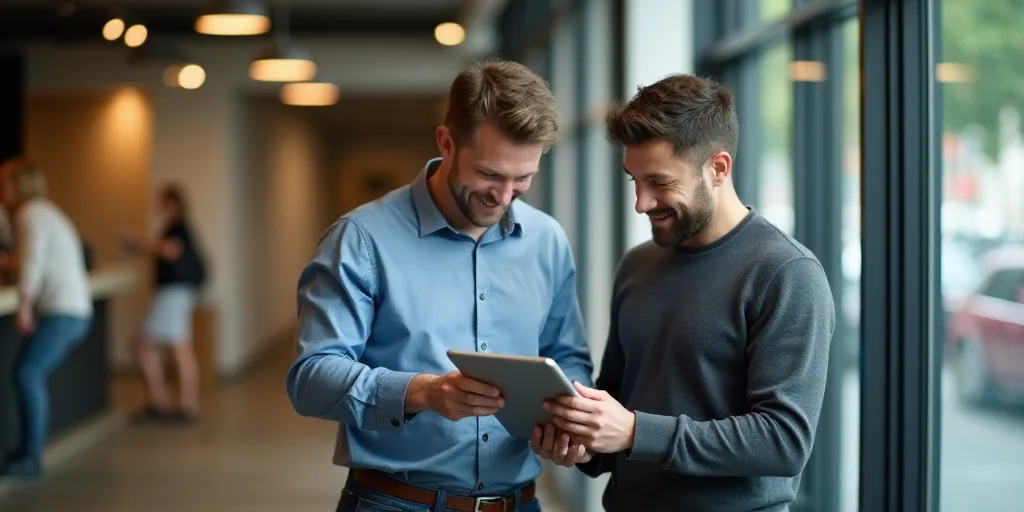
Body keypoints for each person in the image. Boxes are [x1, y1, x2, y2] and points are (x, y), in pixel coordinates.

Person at [287, 59, 593, 512]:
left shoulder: (546, 240)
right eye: (490, 174)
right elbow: (311, 379)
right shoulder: (361, 240)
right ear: (446, 143)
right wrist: (422, 393)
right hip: (394, 502)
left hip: (519, 502)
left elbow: (567, 356)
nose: (504, 196)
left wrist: (568, 421)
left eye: (522, 179)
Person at [531, 74, 836, 511]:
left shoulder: (787, 273)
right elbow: (619, 401)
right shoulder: (638, 264)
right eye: (634, 180)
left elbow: (784, 442)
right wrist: (585, 443)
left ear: (718, 168)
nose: (641, 203)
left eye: (660, 182)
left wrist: (636, 431)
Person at [0, 166, 92, 480]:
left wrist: (24, 306)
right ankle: (27, 451)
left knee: (27, 375)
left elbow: (32, 262)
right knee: (27, 374)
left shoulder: (30, 214)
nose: (1, 189)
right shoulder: (45, 212)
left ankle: (31, 457)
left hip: (61, 311)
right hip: (70, 310)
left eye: (4, 183)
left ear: (18, 186)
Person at [122, 184, 206, 425]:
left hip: (174, 293)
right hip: (176, 293)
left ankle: (164, 403)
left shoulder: (178, 226)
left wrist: (139, 241)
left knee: (145, 344)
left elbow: (170, 251)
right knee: (177, 347)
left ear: (172, 203)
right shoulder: (177, 226)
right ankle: (180, 404)